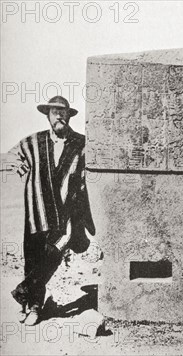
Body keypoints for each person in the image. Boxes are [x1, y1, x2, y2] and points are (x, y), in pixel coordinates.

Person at [6, 96, 95, 325]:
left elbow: (92, 174)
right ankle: (30, 305)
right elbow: (12, 159)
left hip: (65, 214)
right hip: (37, 212)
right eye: (55, 112)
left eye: (63, 112)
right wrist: (18, 167)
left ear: (69, 115)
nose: (59, 116)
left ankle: (28, 297)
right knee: (33, 257)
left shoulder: (80, 143)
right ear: (48, 115)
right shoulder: (34, 142)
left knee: (53, 254)